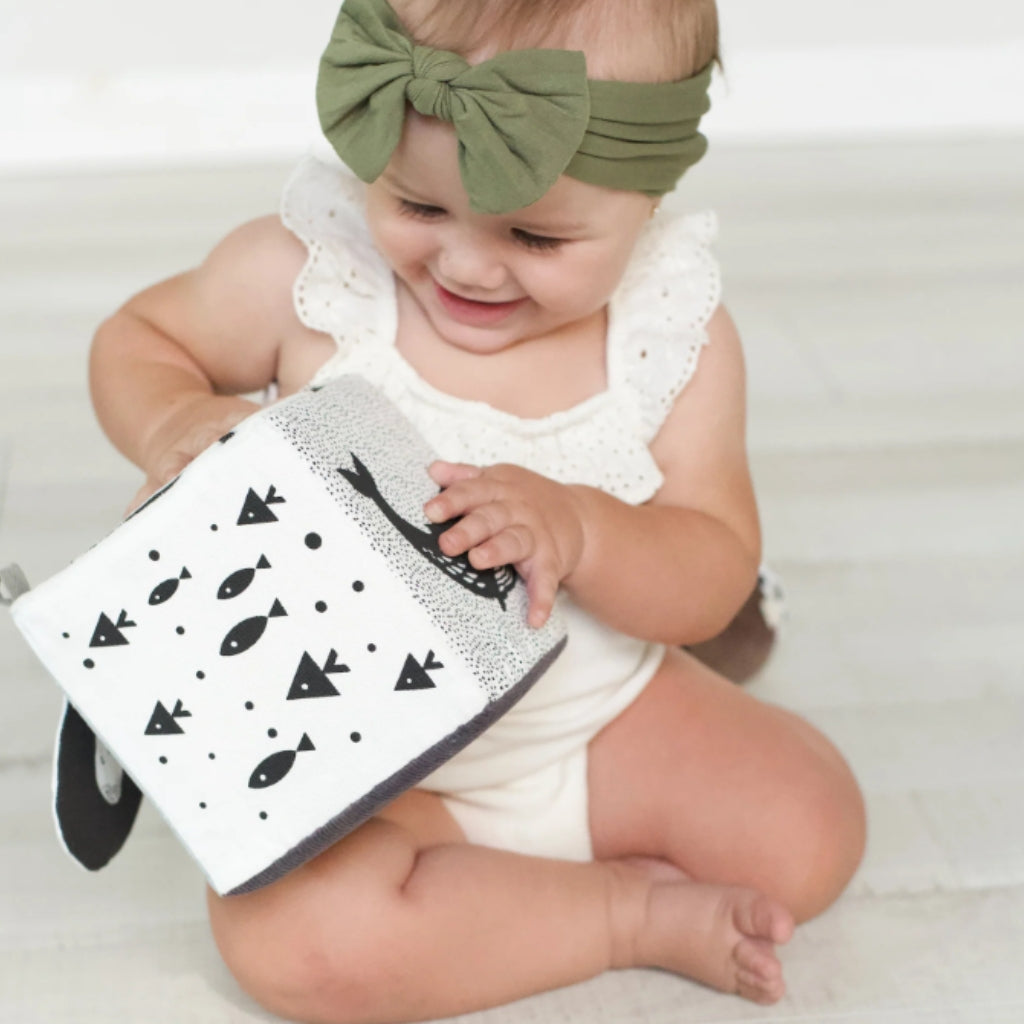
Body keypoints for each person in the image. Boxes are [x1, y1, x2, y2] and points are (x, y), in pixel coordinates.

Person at [88, 0, 867, 1019]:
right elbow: (140, 337)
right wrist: (175, 420)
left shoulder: (668, 340)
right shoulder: (315, 276)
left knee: (812, 830)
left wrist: (585, 530)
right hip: (369, 772)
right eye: (419, 207)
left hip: (596, 724)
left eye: (534, 235)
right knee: (294, 943)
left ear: (649, 196)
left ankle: (511, 895)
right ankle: (627, 912)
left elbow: (712, 566)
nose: (465, 265)